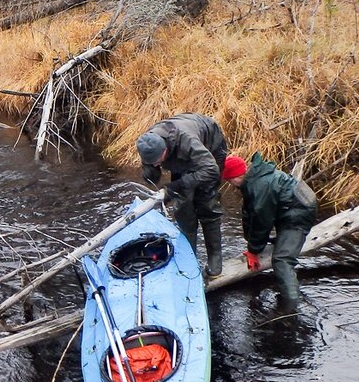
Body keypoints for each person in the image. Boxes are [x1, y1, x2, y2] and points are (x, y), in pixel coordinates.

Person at [136, 113, 229, 276]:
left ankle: (215, 258)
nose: (157, 164)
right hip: (180, 160)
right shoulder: (147, 144)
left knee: (207, 204)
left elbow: (211, 170)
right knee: (182, 209)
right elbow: (152, 165)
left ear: (165, 150)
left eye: (159, 160)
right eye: (153, 162)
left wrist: (177, 185)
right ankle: (189, 257)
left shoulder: (187, 141)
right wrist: (151, 172)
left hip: (209, 152)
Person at [221, 153, 318, 300]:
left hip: (299, 213)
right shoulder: (254, 178)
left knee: (281, 260)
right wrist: (251, 244)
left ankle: (291, 309)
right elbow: (250, 214)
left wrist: (254, 251)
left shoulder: (260, 186)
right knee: (279, 244)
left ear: (234, 178)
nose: (230, 184)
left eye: (228, 180)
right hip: (288, 207)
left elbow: (262, 221)